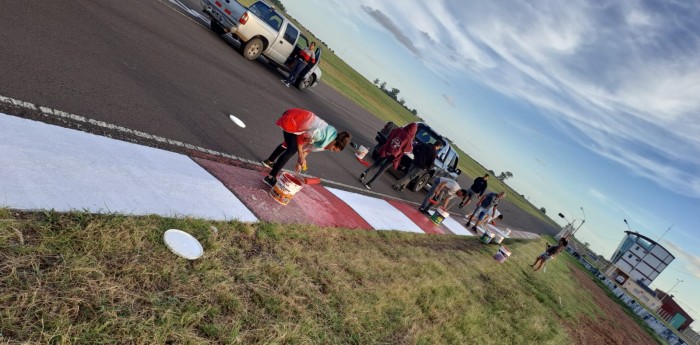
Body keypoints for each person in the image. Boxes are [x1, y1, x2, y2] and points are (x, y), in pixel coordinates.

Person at [262, 108, 351, 186]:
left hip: (298, 121)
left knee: (289, 144)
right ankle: (270, 177)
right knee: (292, 149)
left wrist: (301, 161)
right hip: (293, 118)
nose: (331, 150)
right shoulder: (321, 136)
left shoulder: (328, 140)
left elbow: (309, 148)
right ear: (334, 142)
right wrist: (300, 156)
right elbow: (300, 139)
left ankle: (269, 161)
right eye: (333, 149)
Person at [360, 123, 417, 190]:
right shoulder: (409, 139)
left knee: (376, 163)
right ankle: (369, 183)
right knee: (382, 169)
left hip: (387, 149)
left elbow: (390, 135)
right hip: (394, 156)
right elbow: (407, 150)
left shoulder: (398, 130)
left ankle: (365, 172)